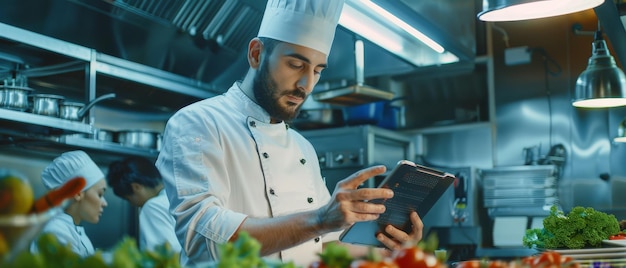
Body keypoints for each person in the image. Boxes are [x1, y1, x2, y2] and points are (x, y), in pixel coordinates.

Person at [155, 0, 424, 266]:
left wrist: (391, 252)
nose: (307, 85)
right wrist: (319, 219)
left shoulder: (302, 146)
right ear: (257, 54)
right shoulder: (197, 122)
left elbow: (323, 244)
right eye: (296, 65)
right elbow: (206, 241)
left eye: (317, 71)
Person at [30, 150, 108, 257]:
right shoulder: (56, 231)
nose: (104, 203)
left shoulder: (72, 229)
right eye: (99, 194)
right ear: (78, 194)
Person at [106, 156, 181, 252]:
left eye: (128, 199)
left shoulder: (152, 206)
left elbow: (162, 257)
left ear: (136, 187)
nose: (132, 205)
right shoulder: (175, 197)